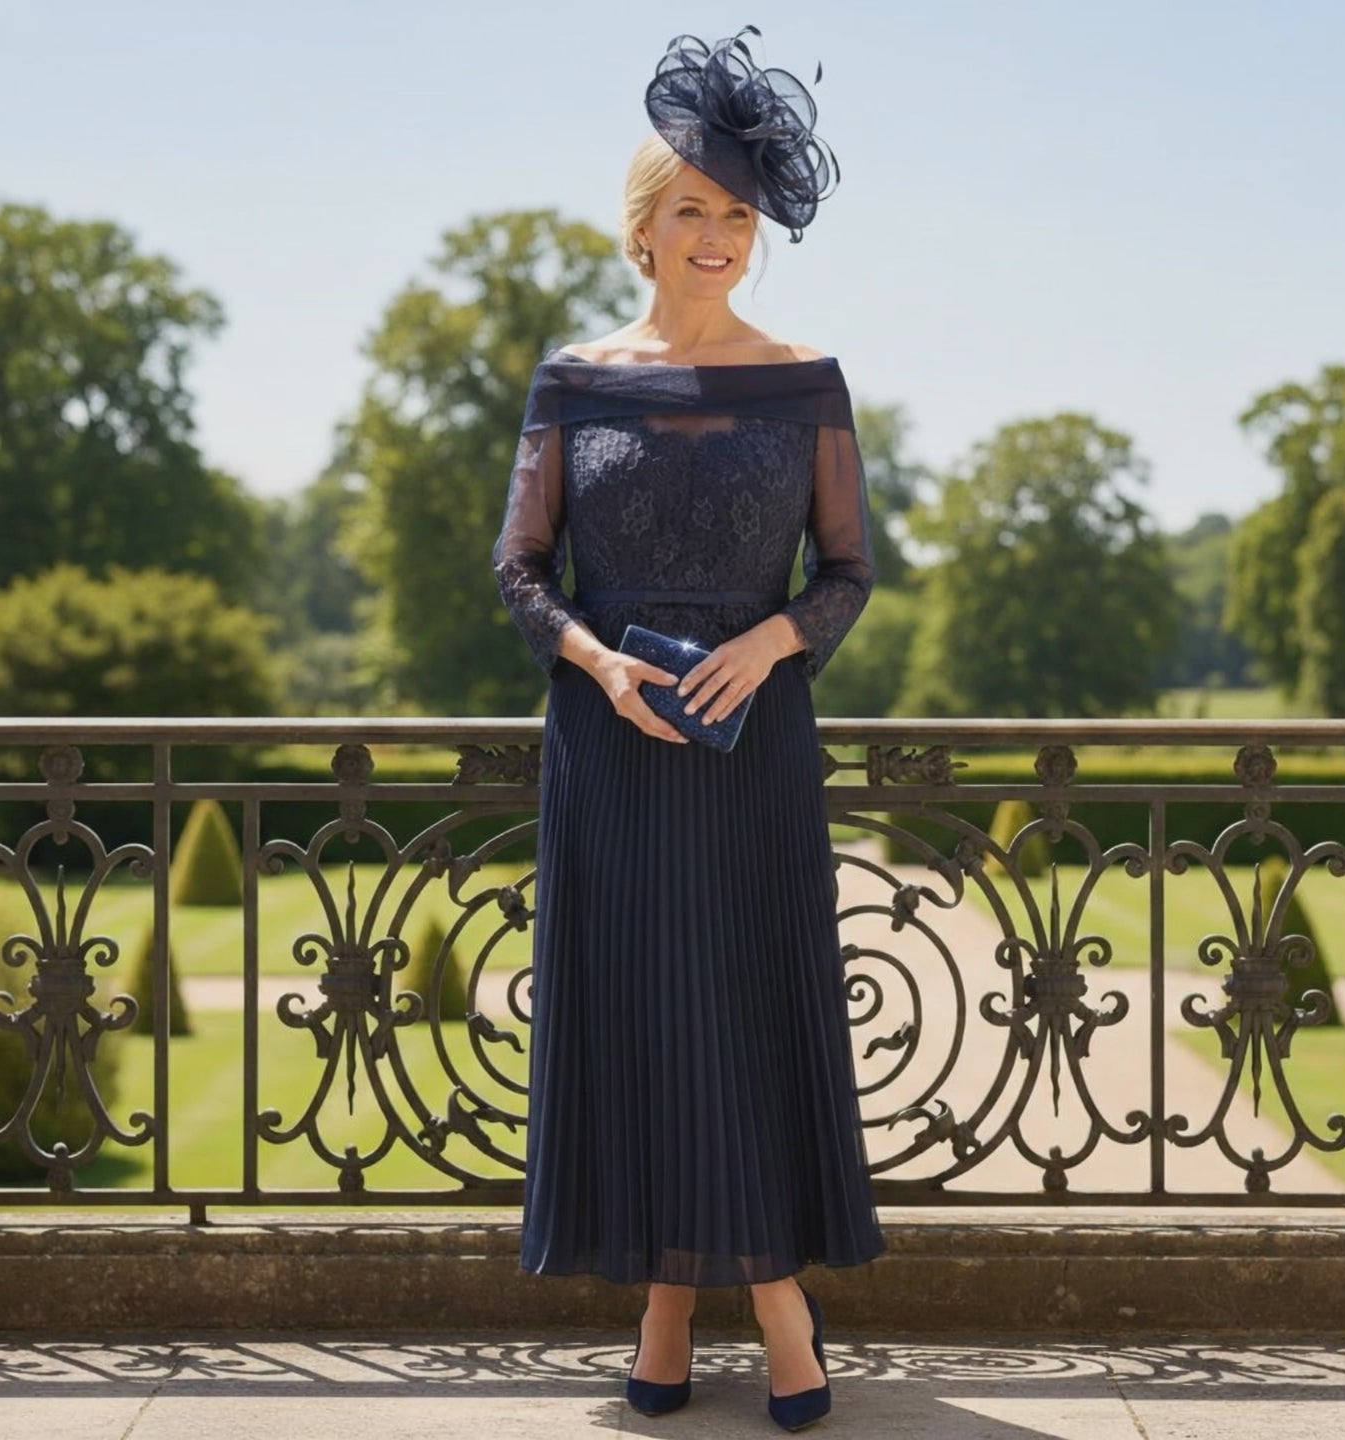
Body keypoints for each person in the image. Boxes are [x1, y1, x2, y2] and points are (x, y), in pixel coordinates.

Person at [491, 24, 884, 1431]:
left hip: (756, 751)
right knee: (647, 1019)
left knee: (744, 1013)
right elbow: (521, 573)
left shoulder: (807, 377)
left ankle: (766, 1303)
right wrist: (600, 668)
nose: (715, 236)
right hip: (613, 752)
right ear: (642, 229)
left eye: (734, 214)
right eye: (689, 212)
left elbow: (847, 571)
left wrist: (773, 644)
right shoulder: (575, 378)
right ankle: (675, 1305)